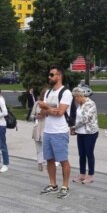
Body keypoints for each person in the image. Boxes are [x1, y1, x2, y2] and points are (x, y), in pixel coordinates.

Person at [39, 66, 73, 198]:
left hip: (60, 131)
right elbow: (41, 113)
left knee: (63, 160)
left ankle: (65, 186)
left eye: (51, 74)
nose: (49, 77)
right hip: (48, 131)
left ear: (59, 76)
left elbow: (60, 112)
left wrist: (46, 106)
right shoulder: (48, 92)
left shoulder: (66, 93)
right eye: (49, 74)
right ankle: (53, 184)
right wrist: (49, 109)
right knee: (49, 159)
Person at [70, 86, 99, 184]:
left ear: (80, 96)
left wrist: (74, 127)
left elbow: (85, 119)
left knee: (89, 153)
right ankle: (82, 174)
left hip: (90, 133)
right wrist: (76, 129)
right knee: (81, 154)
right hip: (81, 132)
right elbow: (78, 118)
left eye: (76, 97)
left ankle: (90, 175)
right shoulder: (80, 104)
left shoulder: (90, 104)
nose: (75, 99)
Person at [30, 88, 47, 171]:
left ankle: (45, 163)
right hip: (37, 127)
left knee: (45, 147)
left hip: (46, 127)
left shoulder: (49, 104)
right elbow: (31, 115)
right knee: (38, 147)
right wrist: (36, 116)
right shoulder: (37, 103)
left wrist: (45, 115)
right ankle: (39, 162)